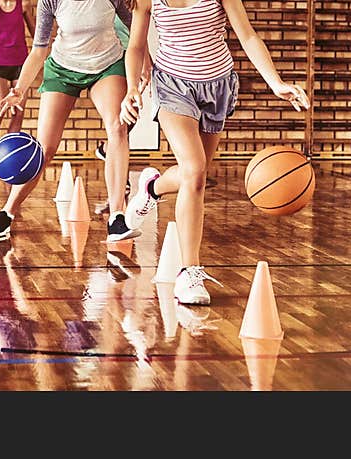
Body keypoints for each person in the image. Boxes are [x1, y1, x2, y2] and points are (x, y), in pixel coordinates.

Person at [121, 0, 310, 304]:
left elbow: (247, 35)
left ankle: (152, 188)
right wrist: (132, 88)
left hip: (217, 86)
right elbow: (136, 46)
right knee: (194, 170)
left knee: (194, 175)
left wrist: (276, 83)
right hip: (172, 85)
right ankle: (189, 272)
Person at [0, 0, 147, 243]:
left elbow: (135, 28)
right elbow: (39, 50)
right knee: (45, 150)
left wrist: (147, 64)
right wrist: (19, 88)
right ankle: (7, 211)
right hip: (62, 70)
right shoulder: (50, 1)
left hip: (107, 66)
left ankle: (117, 217)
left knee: (117, 128)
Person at [0, 0, 36, 167]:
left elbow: (35, 33)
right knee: (0, 108)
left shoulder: (23, 4)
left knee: (19, 111)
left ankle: (9, 150)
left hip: (20, 63)